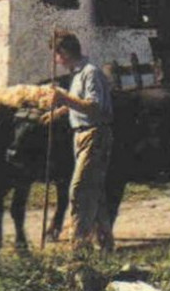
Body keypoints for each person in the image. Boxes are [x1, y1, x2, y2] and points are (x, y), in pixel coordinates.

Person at [41, 32, 115, 253]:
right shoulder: (78, 74)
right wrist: (59, 112)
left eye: (56, 54)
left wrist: (63, 98)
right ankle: (105, 245)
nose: (55, 61)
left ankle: (79, 248)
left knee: (79, 190)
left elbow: (94, 106)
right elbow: (79, 103)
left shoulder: (90, 73)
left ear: (63, 52)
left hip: (94, 135)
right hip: (81, 136)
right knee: (95, 192)